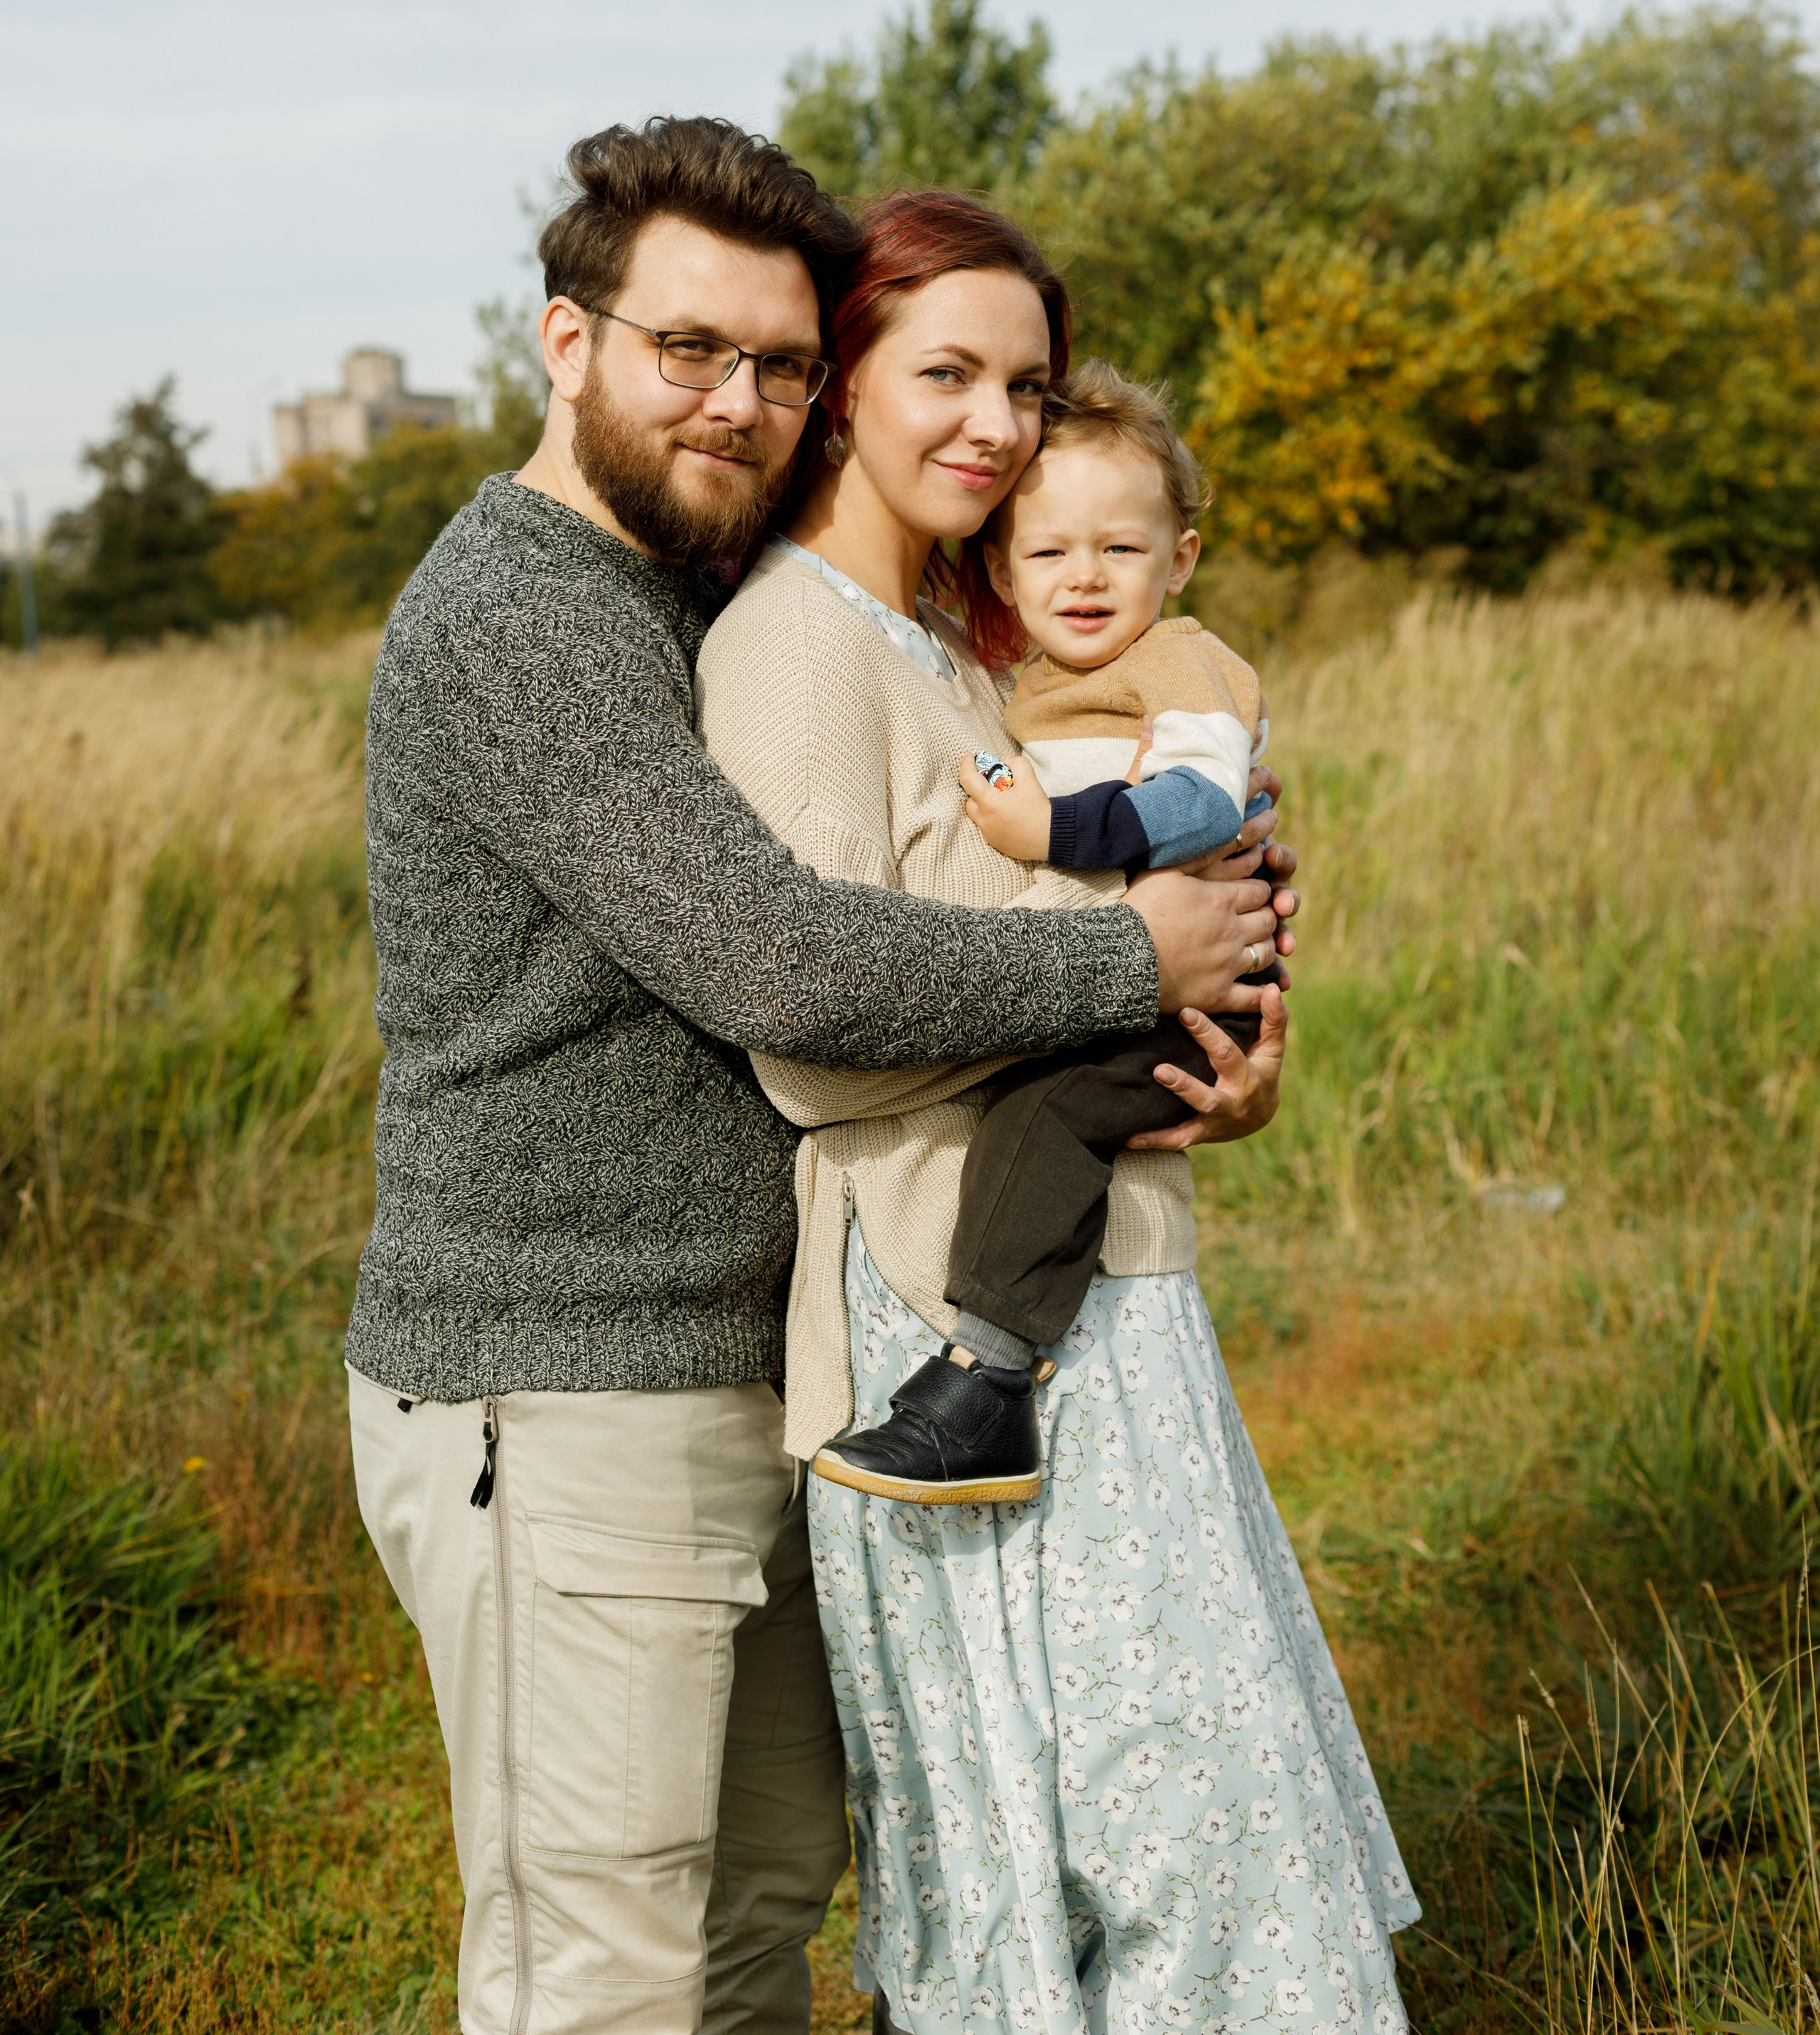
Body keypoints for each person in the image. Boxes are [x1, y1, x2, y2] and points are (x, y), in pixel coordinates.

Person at [343, 119, 1296, 2035]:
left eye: (779, 363)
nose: (739, 401)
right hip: (563, 1381)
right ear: (567, 341)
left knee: (755, 1912)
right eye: (689, 348)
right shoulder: (525, 615)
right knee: (600, 1967)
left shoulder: (697, 585)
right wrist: (1137, 963)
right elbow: (781, 963)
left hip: (755, 1363)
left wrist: (1201, 1035)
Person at [695, 189, 1415, 2035]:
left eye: (1025, 385)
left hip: (1110, 1279)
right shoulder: (794, 647)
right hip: (949, 1304)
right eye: (947, 374)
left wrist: (1216, 1057)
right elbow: (812, 1035)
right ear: (841, 379)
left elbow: (1117, 935)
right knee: (1105, 1820)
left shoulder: (969, 645)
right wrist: (1134, 963)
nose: (996, 424)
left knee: (1195, 1795)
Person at [817, 356, 1282, 1507]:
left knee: (1046, 1117)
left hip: (1190, 990)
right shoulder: (1025, 680)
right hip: (1145, 972)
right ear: (1000, 567)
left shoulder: (1179, 663)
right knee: (1036, 1107)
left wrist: (1053, 830)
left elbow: (1202, 805)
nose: (1084, 577)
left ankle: (988, 1380)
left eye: (1120, 549)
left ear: (1179, 559)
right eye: (1049, 553)